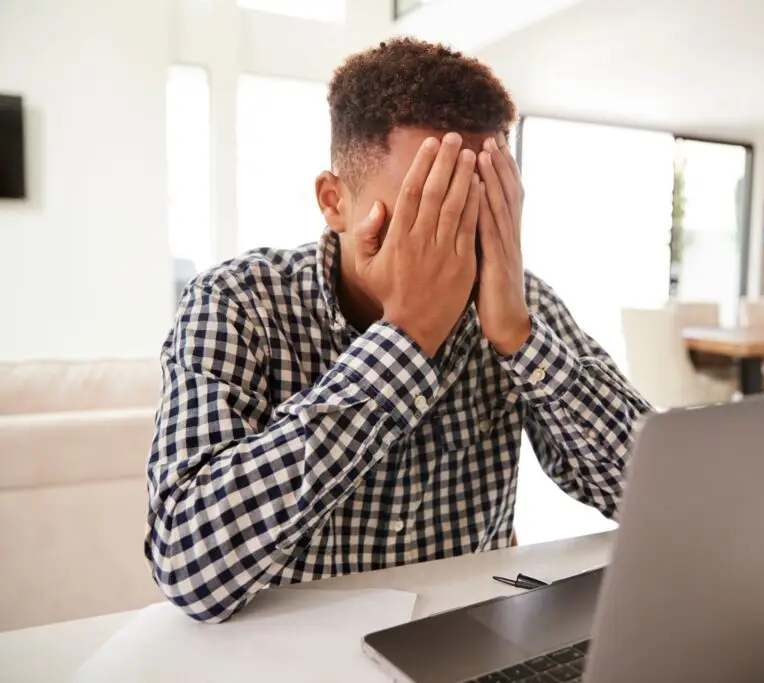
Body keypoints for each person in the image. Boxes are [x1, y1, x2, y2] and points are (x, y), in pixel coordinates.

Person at [146, 37, 652, 623]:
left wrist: (518, 332)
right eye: (424, 211)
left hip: (463, 644)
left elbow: (660, 502)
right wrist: (405, 338)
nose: (453, 243)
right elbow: (187, 564)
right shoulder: (237, 302)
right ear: (334, 202)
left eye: (478, 210)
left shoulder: (515, 298)